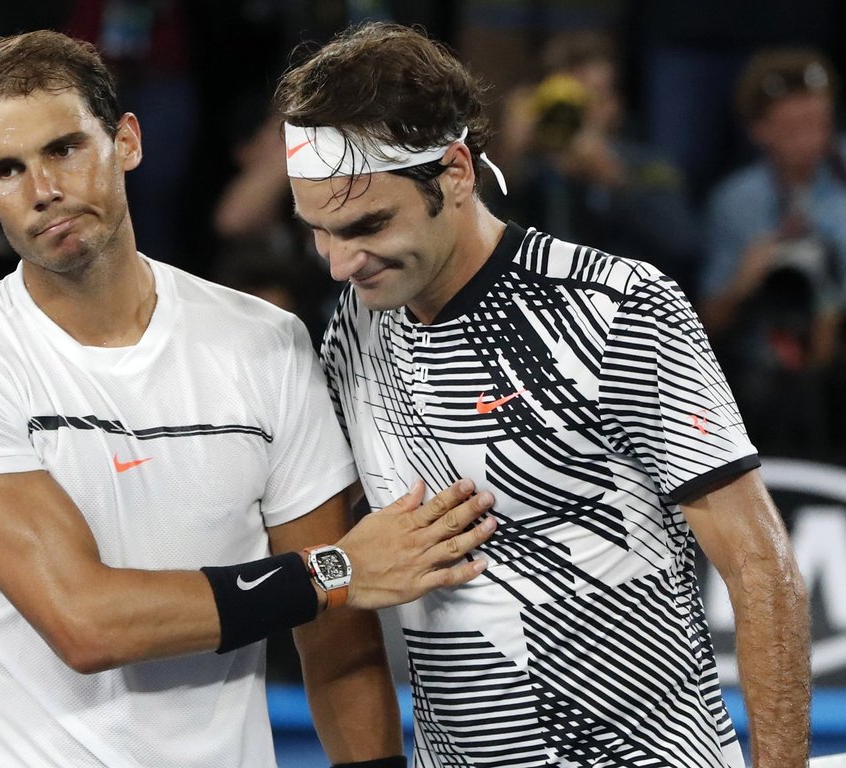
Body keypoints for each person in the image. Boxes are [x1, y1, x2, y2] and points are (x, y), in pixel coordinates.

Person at [0, 30, 498, 768]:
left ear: (127, 141)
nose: (44, 189)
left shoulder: (266, 344)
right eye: (7, 169)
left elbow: (337, 646)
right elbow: (85, 623)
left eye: (64, 149)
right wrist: (333, 573)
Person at [274, 21, 810, 767]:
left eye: (366, 225)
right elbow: (336, 590)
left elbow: (761, 566)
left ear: (455, 171)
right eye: (318, 232)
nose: (338, 264)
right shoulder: (351, 333)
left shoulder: (619, 307)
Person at [700, 47, 846, 460]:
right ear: (760, 130)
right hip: (761, 373)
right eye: (795, 126)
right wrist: (743, 282)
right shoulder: (735, 201)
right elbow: (708, 322)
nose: (812, 139)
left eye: (821, 123)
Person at [496, 30, 702, 297]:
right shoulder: (528, 172)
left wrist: (615, 182)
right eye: (569, 100)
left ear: (615, 106)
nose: (582, 112)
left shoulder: (648, 167)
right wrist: (509, 158)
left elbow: (683, 246)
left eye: (593, 96)